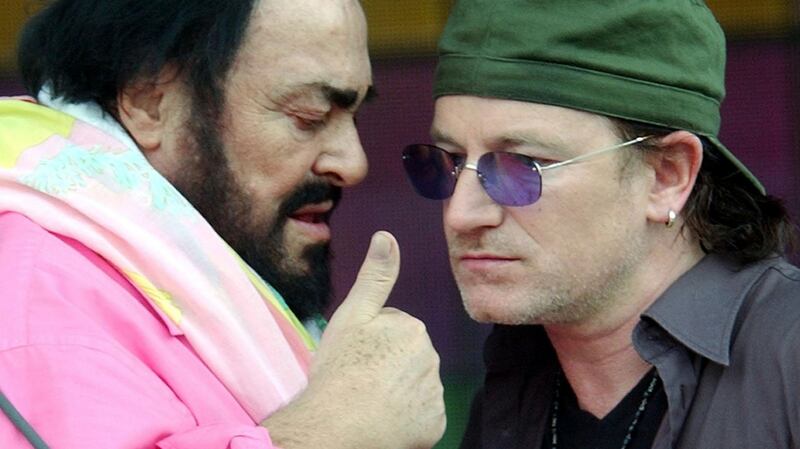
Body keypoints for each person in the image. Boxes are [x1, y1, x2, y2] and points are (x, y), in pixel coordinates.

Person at [0, 1, 446, 448]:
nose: (353, 164)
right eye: (307, 115)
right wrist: (335, 430)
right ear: (149, 102)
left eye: (355, 116)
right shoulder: (33, 303)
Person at [401, 1, 800, 448]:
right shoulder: (512, 391)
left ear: (667, 176)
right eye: (449, 162)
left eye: (523, 166)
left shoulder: (787, 359)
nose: (461, 213)